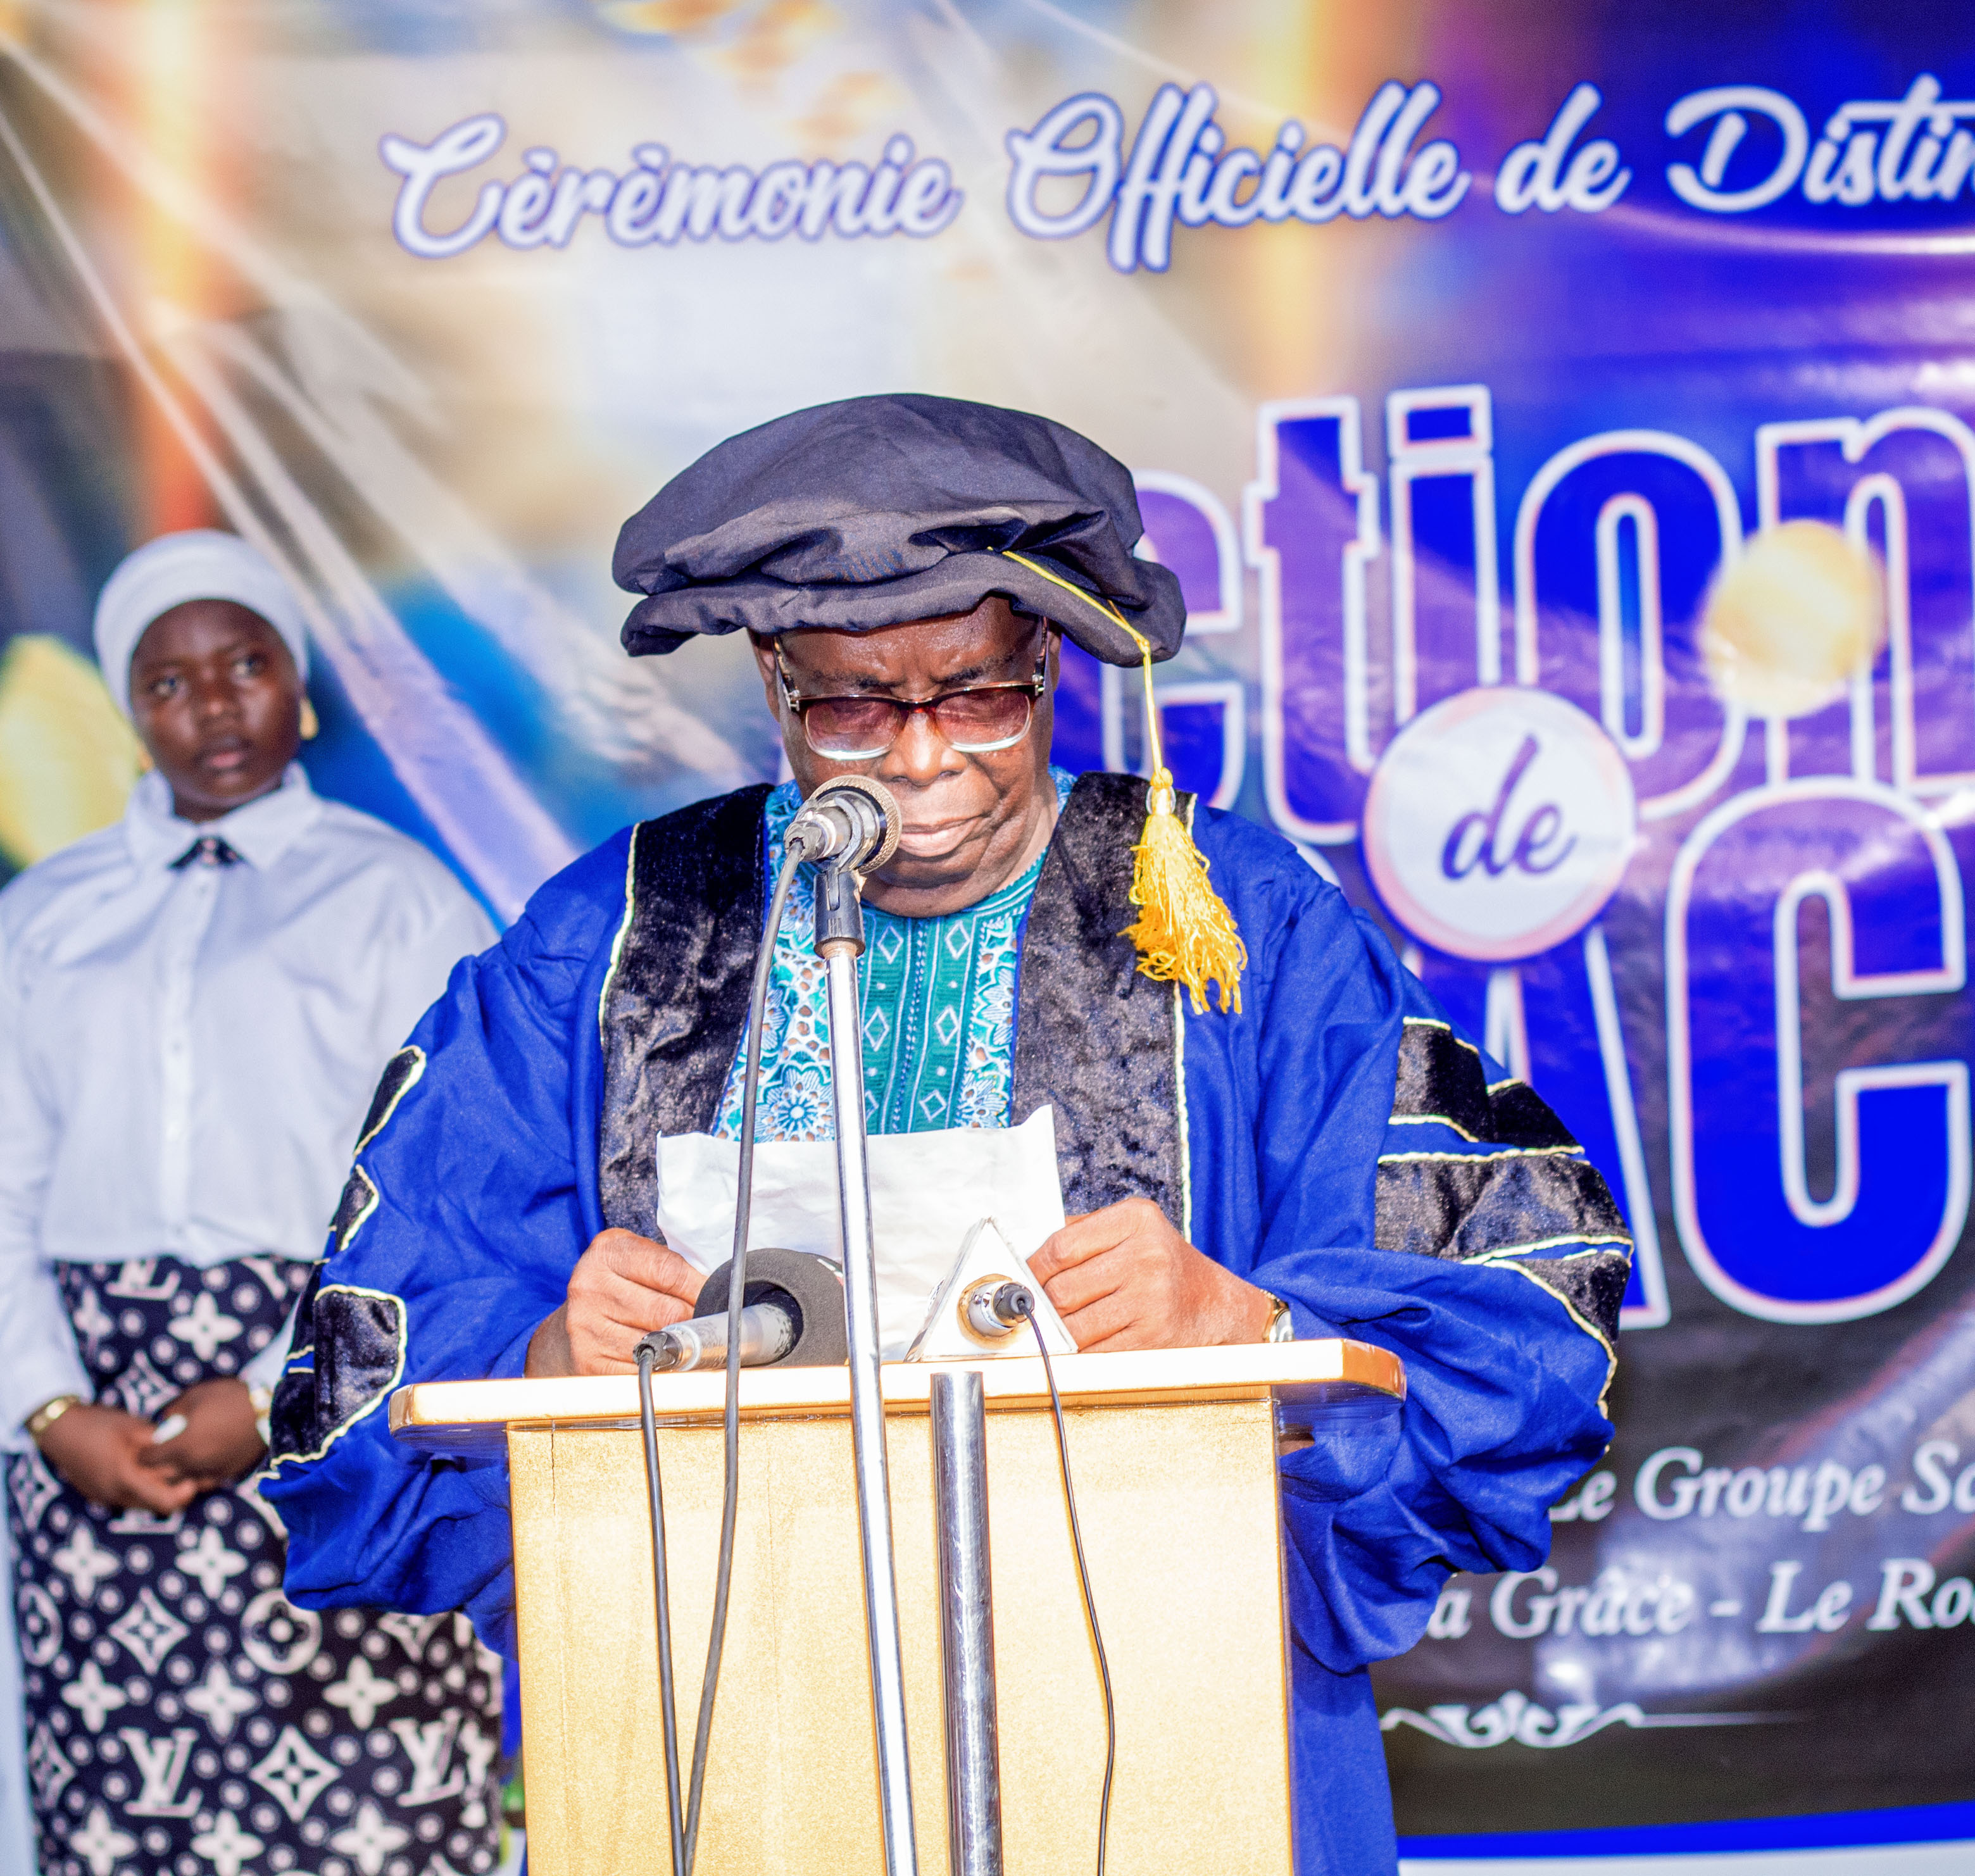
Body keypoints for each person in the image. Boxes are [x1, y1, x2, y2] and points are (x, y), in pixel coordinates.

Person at [263, 395, 1631, 1876]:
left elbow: (1528, 1298)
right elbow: (362, 1365)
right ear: (775, 682)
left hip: (1166, 1736)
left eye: (977, 696)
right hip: (729, 1739)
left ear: (1048, 663)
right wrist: (547, 1357)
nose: (920, 761)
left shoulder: (1225, 914)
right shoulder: (617, 933)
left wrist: (1246, 1324)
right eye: (855, 707)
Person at [0, 532, 504, 1876]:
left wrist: (278, 1389)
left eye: (245, 665)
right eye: (167, 683)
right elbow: (3, 1187)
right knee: (126, 1816)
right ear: (129, 709)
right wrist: (48, 1410)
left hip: (334, 1396)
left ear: (301, 687)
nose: (212, 707)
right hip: (98, 1435)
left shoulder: (397, 896)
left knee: (368, 1808)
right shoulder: (45, 915)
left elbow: (446, 1186)